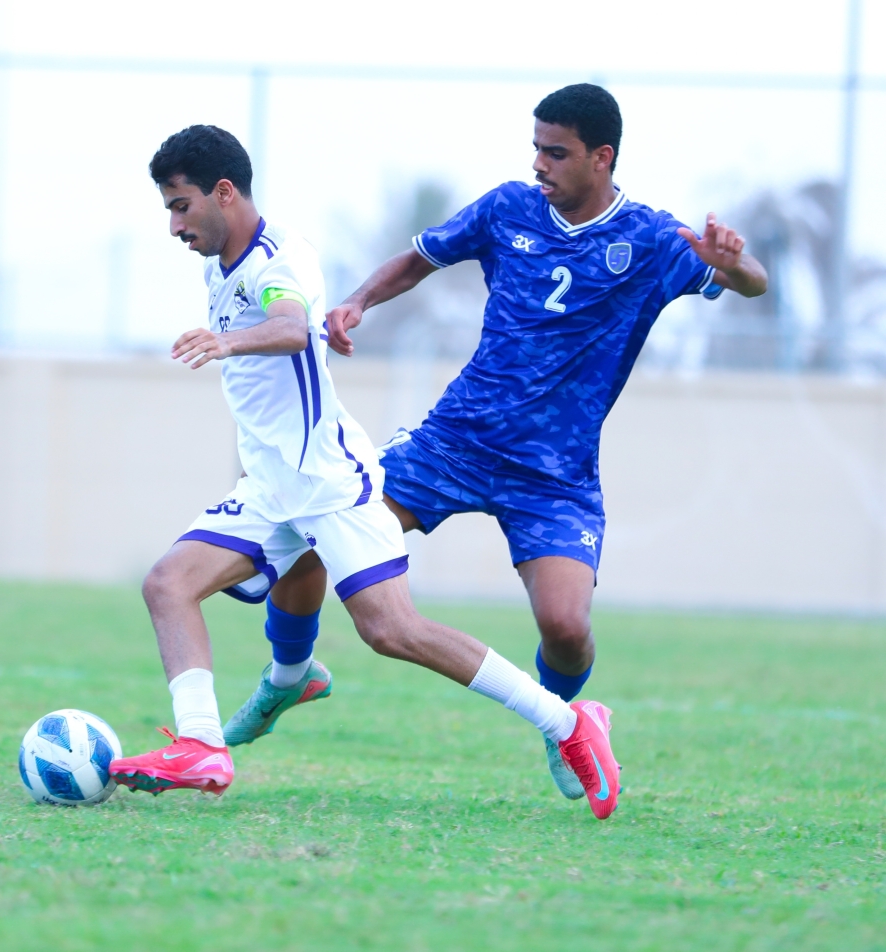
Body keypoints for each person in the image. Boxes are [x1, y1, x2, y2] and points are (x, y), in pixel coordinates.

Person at [224, 83, 767, 802]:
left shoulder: (654, 240)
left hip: (554, 475)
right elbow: (422, 256)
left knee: (567, 628)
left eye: (557, 151)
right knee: (321, 531)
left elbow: (754, 284)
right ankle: (287, 676)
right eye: (536, 147)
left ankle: (560, 725)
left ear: (602, 158)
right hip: (452, 443)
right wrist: (357, 301)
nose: (540, 163)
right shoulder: (509, 206)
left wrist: (732, 264)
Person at [108, 124, 622, 820]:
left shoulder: (278, 262)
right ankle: (202, 745)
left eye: (180, 206)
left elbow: (292, 326)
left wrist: (225, 341)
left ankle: (567, 723)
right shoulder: (216, 266)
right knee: (167, 584)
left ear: (223, 193)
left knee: (391, 631)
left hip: (328, 483)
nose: (173, 224)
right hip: (271, 491)